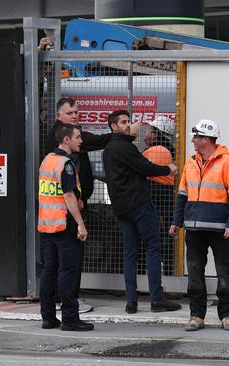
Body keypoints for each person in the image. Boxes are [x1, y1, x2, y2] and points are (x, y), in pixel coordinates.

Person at [45, 97, 141, 313]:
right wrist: (123, 134)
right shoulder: (66, 136)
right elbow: (97, 141)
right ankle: (68, 301)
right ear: (59, 116)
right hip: (68, 208)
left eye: (77, 112)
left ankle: (59, 302)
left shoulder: (69, 136)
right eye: (70, 113)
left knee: (62, 259)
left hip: (69, 206)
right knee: (69, 259)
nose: (75, 116)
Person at [102, 110, 181, 314]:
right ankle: (157, 298)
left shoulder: (110, 148)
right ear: (113, 126)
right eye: (124, 122)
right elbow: (145, 167)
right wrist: (169, 169)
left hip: (122, 207)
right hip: (139, 205)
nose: (130, 125)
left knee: (130, 253)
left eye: (129, 122)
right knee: (153, 248)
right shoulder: (126, 147)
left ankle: (131, 300)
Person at [169, 119, 229, 332]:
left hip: (220, 229)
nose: (193, 140)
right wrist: (176, 221)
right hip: (194, 229)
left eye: (197, 137)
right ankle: (196, 316)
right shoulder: (190, 163)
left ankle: (226, 316)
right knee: (194, 274)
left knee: (223, 274)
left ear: (207, 139)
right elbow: (182, 196)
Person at [39, 124, 94, 332]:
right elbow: (69, 196)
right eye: (78, 137)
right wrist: (80, 224)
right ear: (66, 140)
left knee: (49, 272)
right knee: (67, 273)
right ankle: (70, 319)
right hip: (64, 224)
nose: (81, 140)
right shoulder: (66, 164)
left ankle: (48, 317)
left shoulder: (47, 161)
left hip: (47, 224)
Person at [142, 116, 176, 275]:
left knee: (147, 239)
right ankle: (170, 275)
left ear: (156, 134)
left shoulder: (154, 151)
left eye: (148, 131)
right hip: (168, 199)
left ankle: (142, 274)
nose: (145, 135)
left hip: (151, 199)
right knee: (168, 239)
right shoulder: (172, 150)